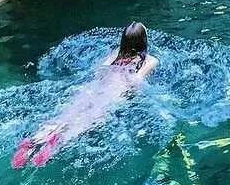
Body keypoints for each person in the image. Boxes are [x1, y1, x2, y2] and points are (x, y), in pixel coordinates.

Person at [12, 22, 158, 168]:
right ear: (143, 40)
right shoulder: (151, 61)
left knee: (64, 117)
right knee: (84, 122)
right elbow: (136, 82)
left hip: (92, 89)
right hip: (113, 93)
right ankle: (55, 145)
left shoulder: (115, 54)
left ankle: (33, 141)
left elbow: (100, 71)